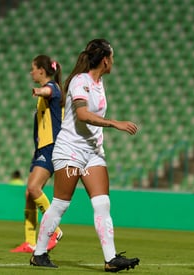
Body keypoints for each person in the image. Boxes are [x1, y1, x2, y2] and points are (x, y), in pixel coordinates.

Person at [29, 39, 140, 272]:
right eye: (112, 57)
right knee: (60, 204)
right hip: (70, 149)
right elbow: (82, 115)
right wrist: (114, 123)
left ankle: (110, 259)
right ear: (105, 59)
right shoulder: (81, 81)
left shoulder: (99, 84)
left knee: (102, 203)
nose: (113, 62)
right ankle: (39, 253)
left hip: (93, 152)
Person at [11, 55, 64, 253]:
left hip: (52, 147)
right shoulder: (54, 89)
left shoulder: (54, 89)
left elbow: (48, 91)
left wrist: (39, 91)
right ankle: (30, 242)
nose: (31, 72)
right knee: (29, 193)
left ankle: (55, 231)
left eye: (33, 68)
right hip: (42, 148)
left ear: (42, 70)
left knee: (33, 188)